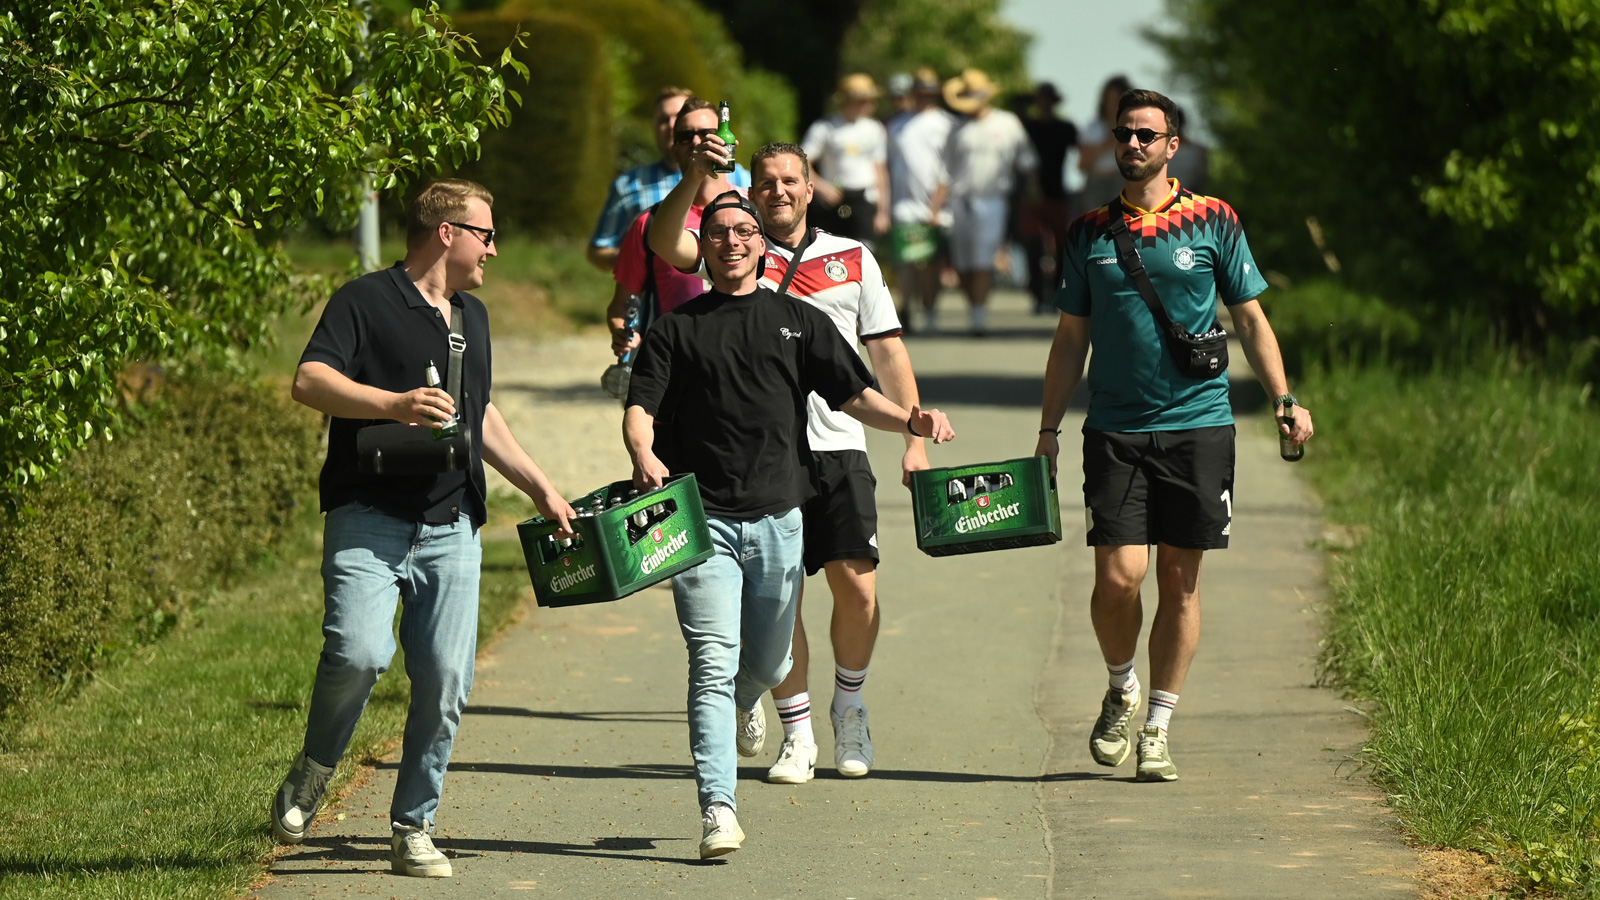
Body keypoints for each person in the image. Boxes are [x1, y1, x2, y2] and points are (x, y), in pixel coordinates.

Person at [626, 190, 955, 858]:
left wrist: (909, 420)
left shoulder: (796, 320)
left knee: (772, 660)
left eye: (744, 231)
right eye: (718, 233)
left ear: (758, 243)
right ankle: (718, 808)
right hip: (701, 520)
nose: (732, 242)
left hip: (779, 517)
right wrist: (642, 454)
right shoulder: (676, 329)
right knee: (711, 664)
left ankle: (750, 695)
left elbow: (855, 395)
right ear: (706, 246)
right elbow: (640, 409)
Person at [274, 179, 577, 876]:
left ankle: (414, 824)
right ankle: (317, 766)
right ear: (447, 232)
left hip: (451, 524)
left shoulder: (474, 315)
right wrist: (394, 403)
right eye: (486, 234)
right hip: (368, 515)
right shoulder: (363, 301)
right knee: (357, 653)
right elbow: (309, 381)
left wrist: (540, 487)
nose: (494, 250)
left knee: (444, 680)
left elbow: (481, 414)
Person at [1034, 90, 1314, 783]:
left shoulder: (1215, 221)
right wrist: (1048, 426)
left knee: (1180, 583)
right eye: (1124, 134)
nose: (1132, 146)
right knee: (1118, 576)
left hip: (1199, 425)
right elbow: (1071, 339)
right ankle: (1121, 685)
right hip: (1116, 429)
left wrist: (1284, 398)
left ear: (1171, 146)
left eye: (1146, 136)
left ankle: (1157, 725)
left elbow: (1249, 318)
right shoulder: (1089, 232)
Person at [606, 96, 744, 358]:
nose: (696, 142)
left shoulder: (754, 212)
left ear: (728, 143)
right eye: (685, 136)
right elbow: (620, 307)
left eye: (707, 134)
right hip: (678, 372)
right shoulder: (650, 224)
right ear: (674, 148)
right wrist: (623, 333)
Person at [586, 86, 750, 272]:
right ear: (655, 128)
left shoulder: (740, 178)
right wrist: (631, 258)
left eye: (677, 116)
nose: (671, 125)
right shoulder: (630, 184)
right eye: (664, 120)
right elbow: (598, 249)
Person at [930, 68, 1038, 337]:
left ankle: (979, 316)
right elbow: (946, 171)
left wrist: (1033, 193)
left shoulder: (1007, 123)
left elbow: (1027, 161)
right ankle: (974, 305)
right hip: (960, 201)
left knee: (982, 259)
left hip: (993, 200)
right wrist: (935, 207)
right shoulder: (957, 129)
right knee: (963, 263)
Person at [885, 67, 956, 333]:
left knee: (929, 262)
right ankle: (906, 309)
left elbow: (948, 169)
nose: (924, 97)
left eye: (929, 93)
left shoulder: (946, 124)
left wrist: (937, 205)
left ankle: (930, 308)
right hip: (903, 204)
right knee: (905, 260)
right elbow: (888, 165)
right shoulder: (896, 126)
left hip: (935, 205)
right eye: (919, 92)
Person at [801, 73, 892, 244]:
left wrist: (883, 211)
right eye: (863, 99)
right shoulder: (825, 127)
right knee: (831, 249)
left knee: (864, 250)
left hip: (864, 199)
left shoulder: (874, 128)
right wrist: (820, 187)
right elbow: (803, 161)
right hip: (834, 199)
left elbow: (880, 170)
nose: (868, 104)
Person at [1019, 82, 1078, 313]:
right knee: (1033, 246)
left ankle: (1055, 292)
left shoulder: (1066, 127)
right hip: (1032, 195)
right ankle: (1036, 293)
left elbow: (1080, 153)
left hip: (1057, 193)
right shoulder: (1027, 127)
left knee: (1061, 246)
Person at [1074, 75, 1132, 217]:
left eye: (1116, 99)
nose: (1112, 104)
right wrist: (1107, 143)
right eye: (1109, 99)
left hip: (1123, 183)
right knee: (1096, 227)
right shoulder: (1092, 127)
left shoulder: (1135, 128)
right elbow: (1082, 165)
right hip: (1096, 183)